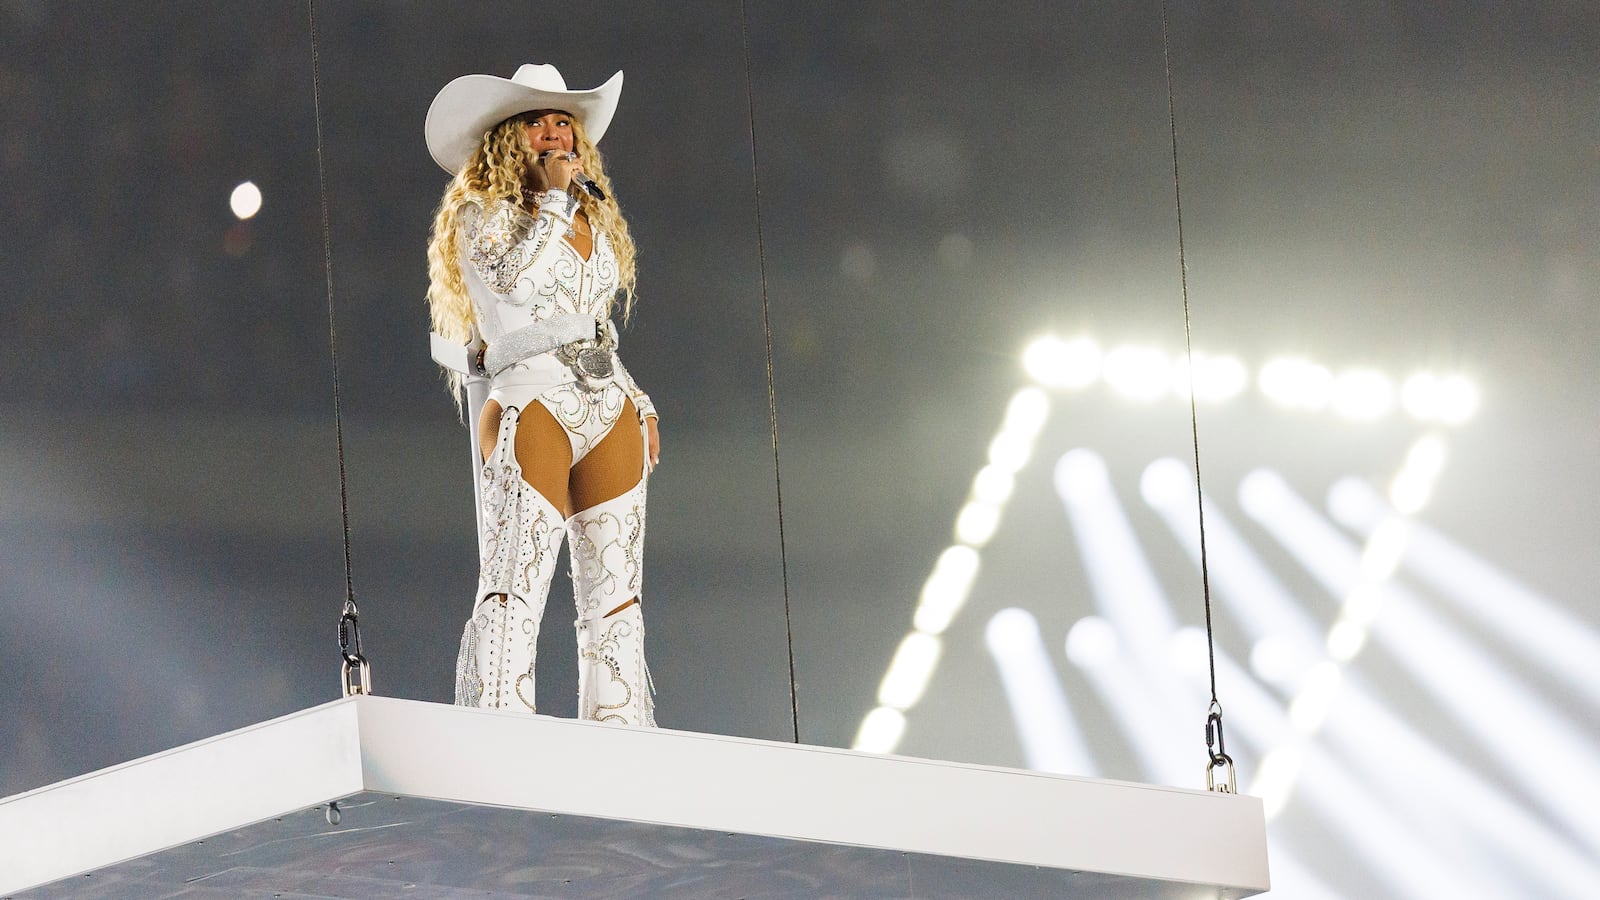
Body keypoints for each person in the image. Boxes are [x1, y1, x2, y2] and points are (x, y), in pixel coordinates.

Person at [424, 64, 659, 726]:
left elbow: (594, 317)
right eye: (538, 121)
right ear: (507, 139)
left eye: (565, 122)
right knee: (514, 590)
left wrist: (638, 397)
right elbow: (513, 288)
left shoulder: (592, 219)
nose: (556, 133)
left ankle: (619, 752)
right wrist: (555, 202)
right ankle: (505, 741)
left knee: (616, 602)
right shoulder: (483, 218)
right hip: (531, 397)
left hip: (607, 401)